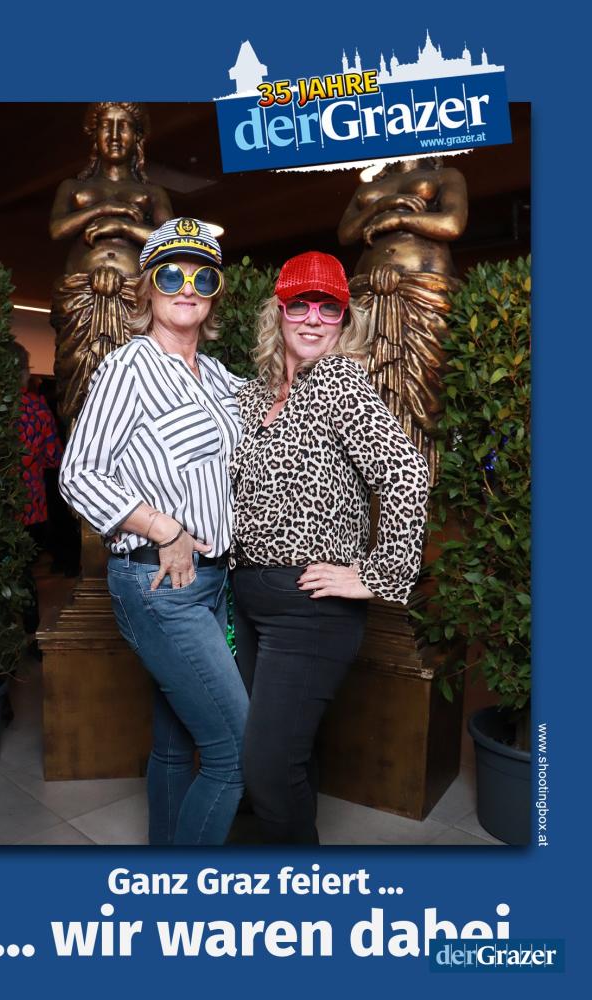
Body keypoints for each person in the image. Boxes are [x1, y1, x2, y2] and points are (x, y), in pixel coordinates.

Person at [229, 251, 430, 844]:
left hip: (309, 612)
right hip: (251, 601)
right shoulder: (256, 394)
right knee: (285, 755)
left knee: (268, 769)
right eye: (300, 304)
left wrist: (376, 574)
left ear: (345, 318)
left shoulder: (339, 382)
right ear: (278, 312)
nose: (313, 319)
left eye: (329, 307)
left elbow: (407, 472)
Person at [59, 218, 248, 846]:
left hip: (213, 583)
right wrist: (163, 526)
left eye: (203, 277)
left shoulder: (219, 379)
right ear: (147, 288)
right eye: (171, 275)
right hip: (158, 583)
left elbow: (276, 414)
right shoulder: (128, 366)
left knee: (175, 743)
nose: (187, 288)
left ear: (215, 292)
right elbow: (79, 474)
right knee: (235, 751)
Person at [337, 158, 468, 483]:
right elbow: (346, 234)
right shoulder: (369, 186)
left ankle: (423, 486)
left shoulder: (446, 174)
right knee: (366, 391)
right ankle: (368, 488)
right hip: (367, 293)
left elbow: (452, 224)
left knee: (426, 392)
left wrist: (396, 219)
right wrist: (385, 205)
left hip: (423, 291)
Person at [50, 102, 173, 425]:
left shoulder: (152, 192)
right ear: (95, 135)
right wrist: (104, 209)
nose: (115, 135)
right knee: (78, 383)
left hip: (135, 298)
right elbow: (57, 229)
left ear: (137, 137)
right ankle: (78, 450)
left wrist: (123, 227)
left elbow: (170, 240)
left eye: (124, 125)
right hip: (82, 299)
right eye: (107, 125)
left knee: (138, 384)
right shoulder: (72, 188)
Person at [12, 342, 64, 634]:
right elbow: (53, 457)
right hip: (30, 505)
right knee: (24, 573)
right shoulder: (36, 407)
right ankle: (30, 636)